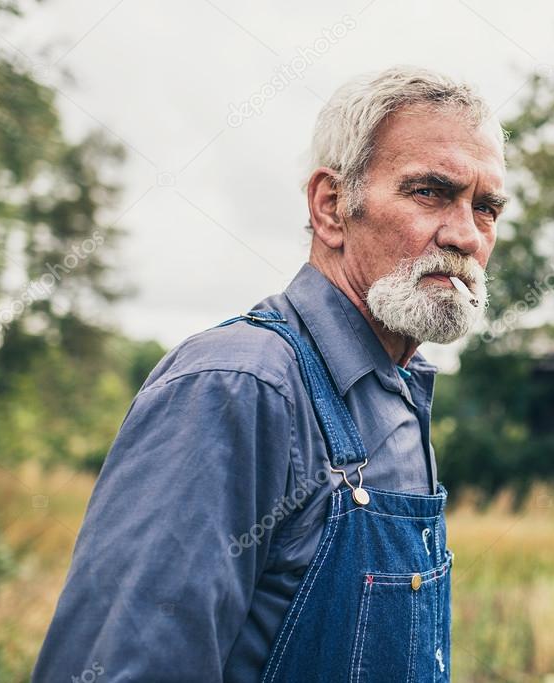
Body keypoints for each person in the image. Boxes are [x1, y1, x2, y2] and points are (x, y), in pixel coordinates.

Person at [33, 65, 508, 682]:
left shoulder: (399, 394)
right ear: (332, 206)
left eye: (487, 206)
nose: (466, 234)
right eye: (430, 192)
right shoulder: (235, 385)